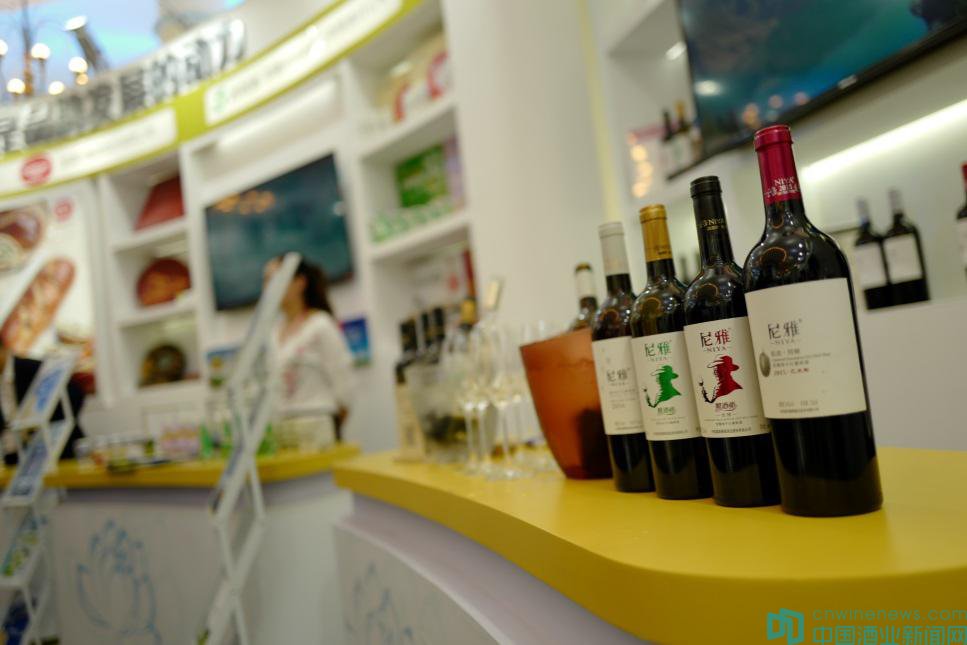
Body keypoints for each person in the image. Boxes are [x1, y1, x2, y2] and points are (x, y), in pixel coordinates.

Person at [263, 256, 354, 443]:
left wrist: (331, 428)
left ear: (300, 282)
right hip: (285, 429)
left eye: (273, 279)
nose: (267, 287)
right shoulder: (273, 334)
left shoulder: (320, 325)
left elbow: (344, 387)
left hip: (319, 427)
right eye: (265, 281)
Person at [0, 346, 86, 465]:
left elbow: (74, 395)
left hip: (60, 453)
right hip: (18, 460)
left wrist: (37, 425)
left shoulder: (35, 368)